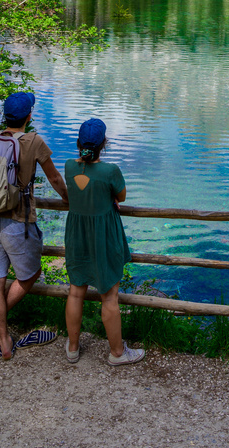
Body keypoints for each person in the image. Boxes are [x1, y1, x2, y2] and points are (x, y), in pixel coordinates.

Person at [0, 91, 68, 360]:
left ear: (6, 116)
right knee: (29, 275)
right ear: (29, 116)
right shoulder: (33, 141)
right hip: (16, 220)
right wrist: (68, 199)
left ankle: (3, 339)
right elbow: (54, 177)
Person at [64, 118, 144, 366]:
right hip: (103, 236)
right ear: (104, 144)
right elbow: (121, 194)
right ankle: (117, 353)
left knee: (76, 291)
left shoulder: (68, 167)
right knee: (109, 295)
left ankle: (73, 348)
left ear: (78, 143)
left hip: (77, 236)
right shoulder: (110, 171)